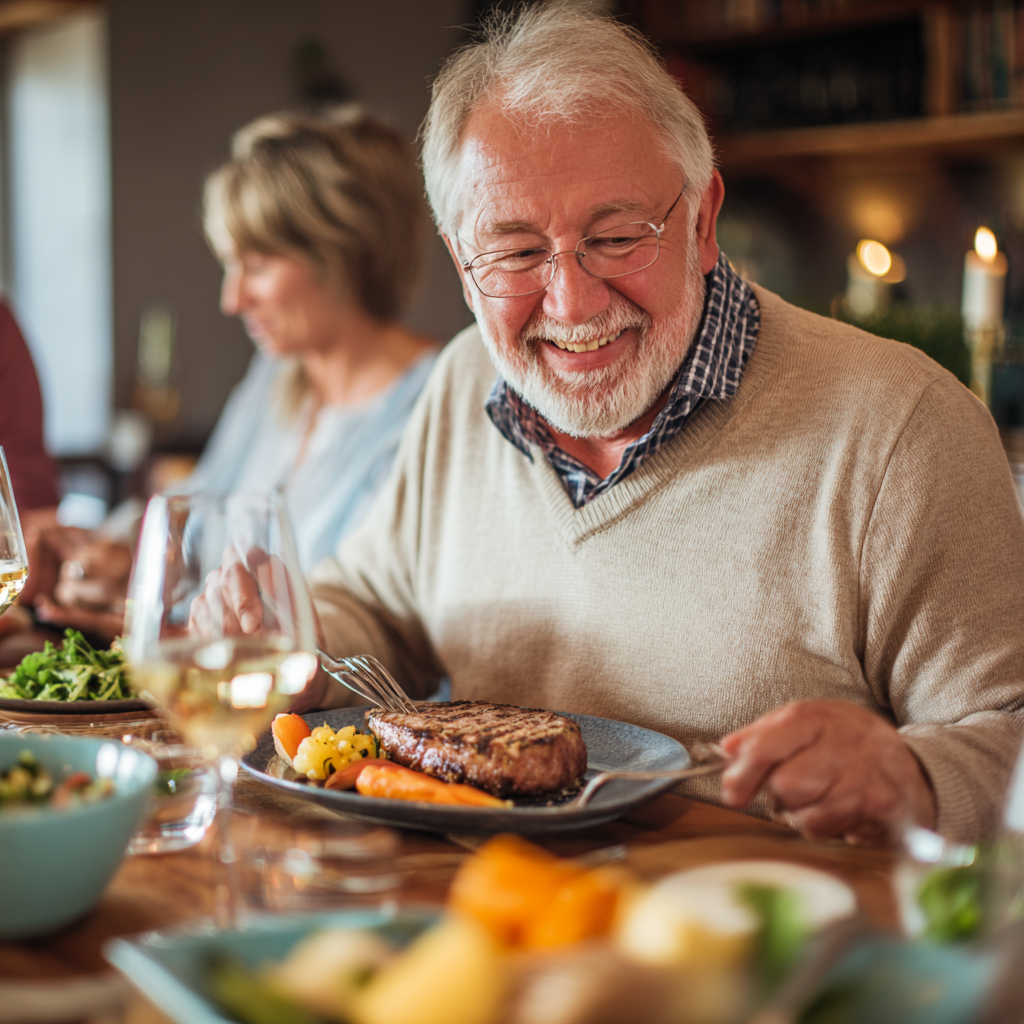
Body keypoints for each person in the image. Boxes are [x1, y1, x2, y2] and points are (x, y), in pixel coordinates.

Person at [193, 6, 1024, 846]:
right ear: (460, 261)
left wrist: (912, 777)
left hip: (758, 945)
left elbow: (1007, 728)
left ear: (702, 221)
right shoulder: (460, 383)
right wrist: (290, 636)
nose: (572, 303)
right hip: (477, 916)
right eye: (515, 253)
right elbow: (375, 603)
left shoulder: (900, 427)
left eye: (618, 236)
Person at [30, 106, 439, 636]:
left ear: (343, 254)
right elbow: (196, 510)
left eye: (258, 265)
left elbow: (383, 629)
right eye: (229, 264)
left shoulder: (434, 401)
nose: (232, 299)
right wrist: (106, 551)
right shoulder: (277, 377)